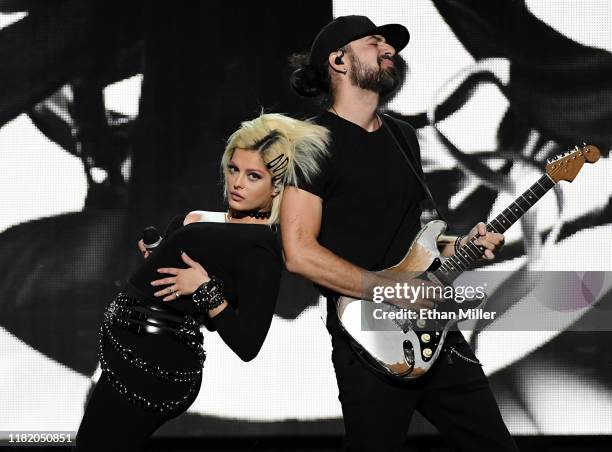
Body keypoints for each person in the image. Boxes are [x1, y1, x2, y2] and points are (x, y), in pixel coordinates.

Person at [281, 15, 518, 452]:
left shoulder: (403, 136)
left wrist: (460, 247)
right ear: (338, 60)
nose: (390, 50)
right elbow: (298, 252)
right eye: (375, 43)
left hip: (435, 330)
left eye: (391, 45)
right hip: (368, 339)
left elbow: (415, 238)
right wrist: (392, 290)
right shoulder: (310, 143)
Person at [74, 113, 330, 451]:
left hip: (158, 364)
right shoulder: (204, 217)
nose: (238, 183)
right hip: (126, 346)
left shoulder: (260, 249)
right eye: (234, 169)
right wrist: (158, 259)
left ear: (277, 187)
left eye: (253, 176)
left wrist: (205, 288)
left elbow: (247, 343)